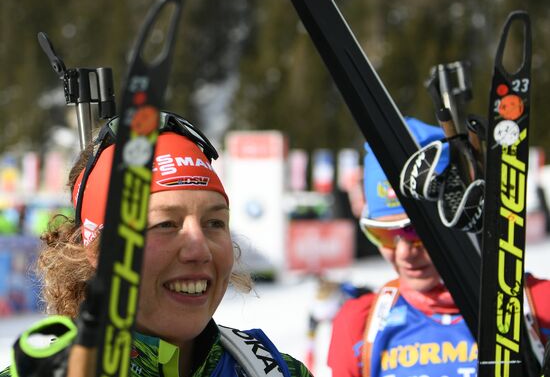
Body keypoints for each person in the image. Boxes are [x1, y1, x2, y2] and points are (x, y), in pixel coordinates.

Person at [2, 111, 313, 377]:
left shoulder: (273, 370)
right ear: (99, 250)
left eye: (214, 223)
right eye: (165, 224)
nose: (199, 249)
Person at [327, 117, 550, 377]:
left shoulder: (538, 306)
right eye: (384, 235)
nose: (404, 254)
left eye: (417, 233)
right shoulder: (359, 323)